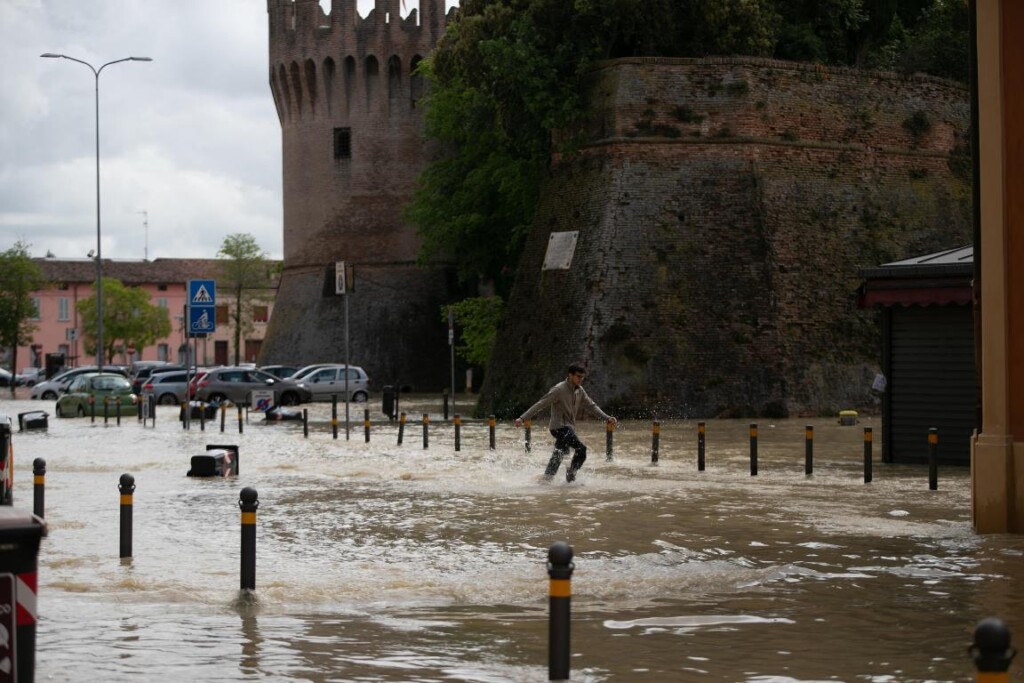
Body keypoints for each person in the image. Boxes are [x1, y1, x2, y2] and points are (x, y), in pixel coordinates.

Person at [514, 363, 617, 482]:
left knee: (559, 454)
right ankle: (571, 474)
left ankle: (545, 481)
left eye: (582, 377)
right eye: (578, 376)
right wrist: (522, 418)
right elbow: (540, 404)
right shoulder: (559, 389)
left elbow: (591, 406)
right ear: (570, 375)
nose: (580, 379)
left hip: (569, 428)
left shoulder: (580, 390)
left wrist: (607, 418)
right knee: (581, 449)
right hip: (558, 428)